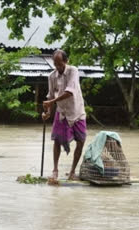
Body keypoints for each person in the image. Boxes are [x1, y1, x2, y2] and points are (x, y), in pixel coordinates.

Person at [42, 50, 87, 181]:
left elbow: (70, 92)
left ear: (66, 61)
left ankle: (72, 172)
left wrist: (51, 102)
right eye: (55, 64)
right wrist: (47, 112)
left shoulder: (73, 71)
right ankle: (55, 170)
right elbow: (50, 95)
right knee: (56, 140)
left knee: (81, 141)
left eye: (60, 64)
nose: (57, 67)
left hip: (77, 111)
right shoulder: (51, 76)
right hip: (62, 112)